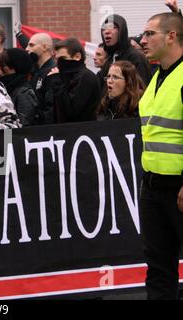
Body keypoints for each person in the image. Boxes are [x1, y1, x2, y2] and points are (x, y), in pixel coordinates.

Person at [138, 12, 183, 300]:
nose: (143, 40)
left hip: (178, 188)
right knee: (158, 268)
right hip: (154, 187)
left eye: (150, 34)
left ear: (171, 36)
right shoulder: (158, 76)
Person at [48, 38, 101, 123]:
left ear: (77, 56)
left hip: (83, 133)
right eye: (56, 59)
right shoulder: (66, 76)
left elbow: (71, 111)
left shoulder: (86, 77)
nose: (58, 63)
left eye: (63, 58)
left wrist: (57, 82)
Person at [100, 14, 152, 86]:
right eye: (104, 29)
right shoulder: (109, 60)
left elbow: (143, 89)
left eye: (113, 27)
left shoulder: (136, 58)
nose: (106, 32)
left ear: (122, 31)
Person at [0, 48, 39, 127]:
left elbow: (24, 124)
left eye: (3, 65)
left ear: (15, 67)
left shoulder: (24, 93)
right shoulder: (1, 88)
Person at [25, 33, 55, 124]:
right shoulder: (35, 71)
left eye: (31, 45)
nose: (27, 49)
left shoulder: (52, 72)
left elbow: (51, 108)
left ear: (45, 47)